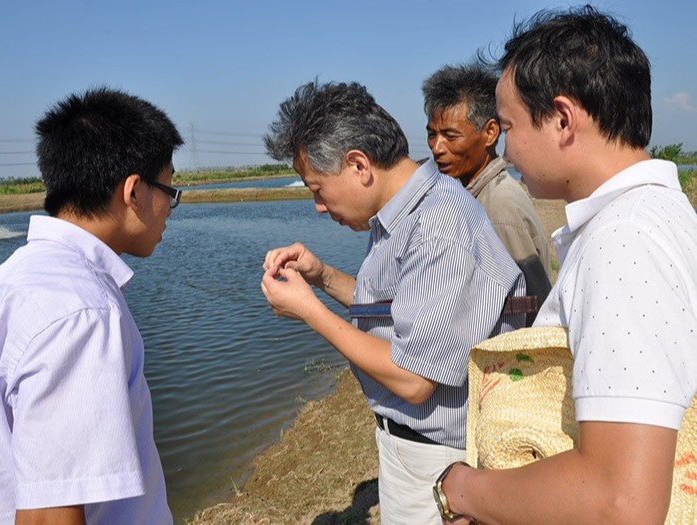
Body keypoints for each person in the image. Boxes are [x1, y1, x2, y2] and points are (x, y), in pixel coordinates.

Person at [434, 6, 697, 524]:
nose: (506, 149)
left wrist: (460, 490)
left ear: (561, 118)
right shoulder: (660, 214)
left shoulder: (624, 241)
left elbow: (619, 502)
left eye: (507, 126)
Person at [261, 80, 525, 524]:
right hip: (409, 448)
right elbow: (397, 313)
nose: (319, 207)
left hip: (441, 460)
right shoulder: (403, 215)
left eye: (317, 189)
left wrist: (310, 311)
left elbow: (413, 378)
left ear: (359, 164)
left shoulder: (438, 224)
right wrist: (322, 276)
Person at [0, 88, 183, 524]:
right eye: (169, 190)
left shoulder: (16, 277)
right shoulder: (81, 313)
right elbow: (48, 516)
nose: (171, 208)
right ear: (134, 191)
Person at [423, 63, 552, 325]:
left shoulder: (498, 205)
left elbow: (535, 304)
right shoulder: (474, 196)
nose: (437, 148)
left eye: (450, 135)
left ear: (490, 133)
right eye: (431, 134)